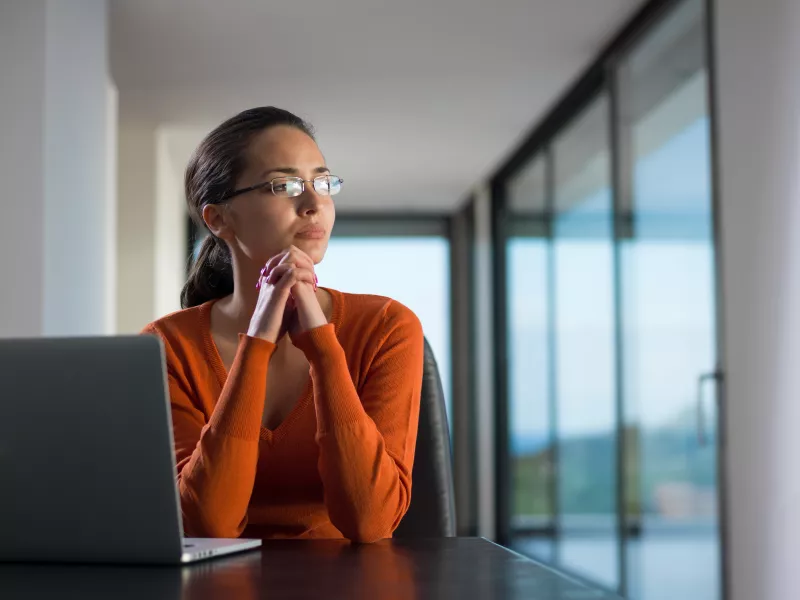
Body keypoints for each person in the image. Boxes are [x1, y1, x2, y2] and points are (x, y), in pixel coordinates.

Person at [142, 107, 424, 543]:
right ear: (218, 219)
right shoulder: (166, 346)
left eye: (322, 183)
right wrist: (256, 343)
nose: (314, 205)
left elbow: (371, 523)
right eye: (285, 185)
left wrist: (322, 346)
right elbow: (209, 525)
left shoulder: (387, 326)